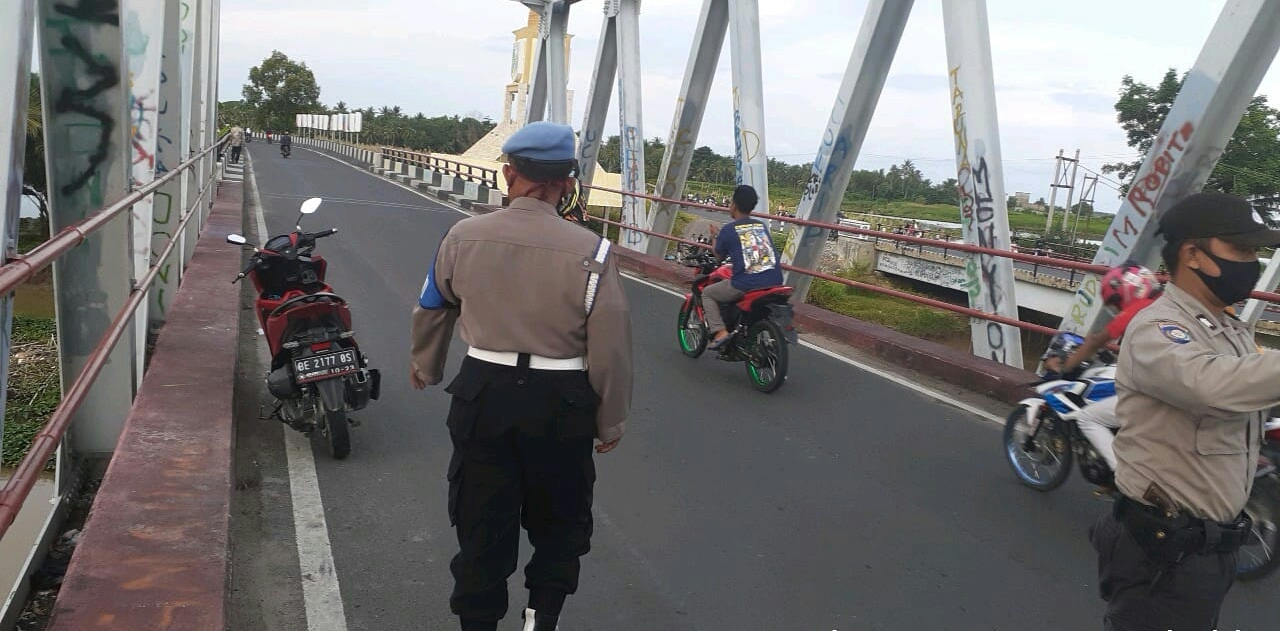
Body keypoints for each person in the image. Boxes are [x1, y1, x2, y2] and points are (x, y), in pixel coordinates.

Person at [409, 120, 633, 631]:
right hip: (563, 402)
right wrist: (609, 419)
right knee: (560, 522)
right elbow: (611, 345)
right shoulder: (594, 252)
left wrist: (427, 363)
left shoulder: (462, 235)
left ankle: (478, 623)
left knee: (481, 521)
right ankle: (541, 618)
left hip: (483, 391)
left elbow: (432, 305)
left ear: (509, 175)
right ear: (568, 184)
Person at [1089, 191, 1280, 630]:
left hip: (1210, 549)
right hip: (1163, 551)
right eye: (1243, 249)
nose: (1252, 262)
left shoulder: (1228, 327)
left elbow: (1252, 385)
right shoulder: (1158, 327)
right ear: (1193, 254)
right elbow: (1211, 384)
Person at [1042, 263, 1161, 471]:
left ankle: (1125, 477)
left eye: (1115, 303)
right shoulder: (1166, 305)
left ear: (1125, 292)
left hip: (1154, 394)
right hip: (1178, 387)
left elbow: (1095, 341)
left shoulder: (1136, 311)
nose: (1116, 309)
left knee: (1087, 418)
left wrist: (1063, 366)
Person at [702, 184, 784, 350]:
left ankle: (719, 332)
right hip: (775, 281)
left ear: (734, 205)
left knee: (707, 294)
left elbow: (719, 256)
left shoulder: (728, 229)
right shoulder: (761, 226)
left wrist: (714, 237)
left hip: (747, 284)